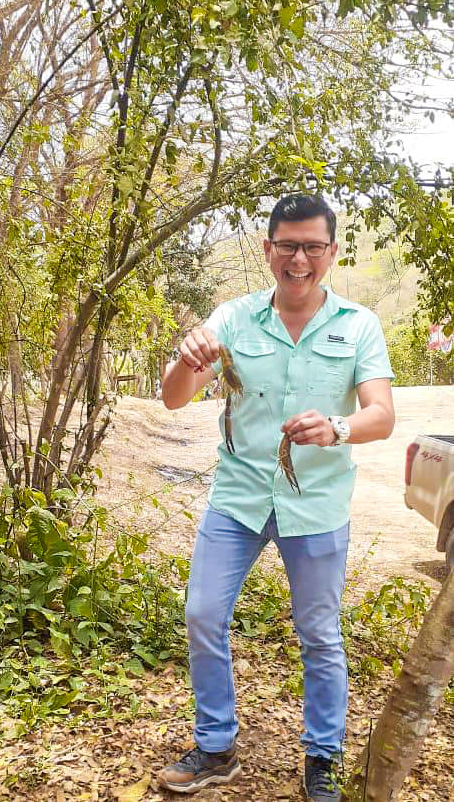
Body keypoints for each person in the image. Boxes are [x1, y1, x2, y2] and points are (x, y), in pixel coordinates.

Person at [158, 194, 394, 801]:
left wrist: (337, 427)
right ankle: (216, 747)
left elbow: (382, 415)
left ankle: (323, 758)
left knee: (319, 634)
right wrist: (186, 359)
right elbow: (174, 398)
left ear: (332, 252)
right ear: (268, 249)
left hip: (315, 505)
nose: (299, 259)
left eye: (313, 246)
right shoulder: (233, 319)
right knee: (202, 613)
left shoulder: (358, 324)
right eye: (288, 246)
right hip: (237, 500)